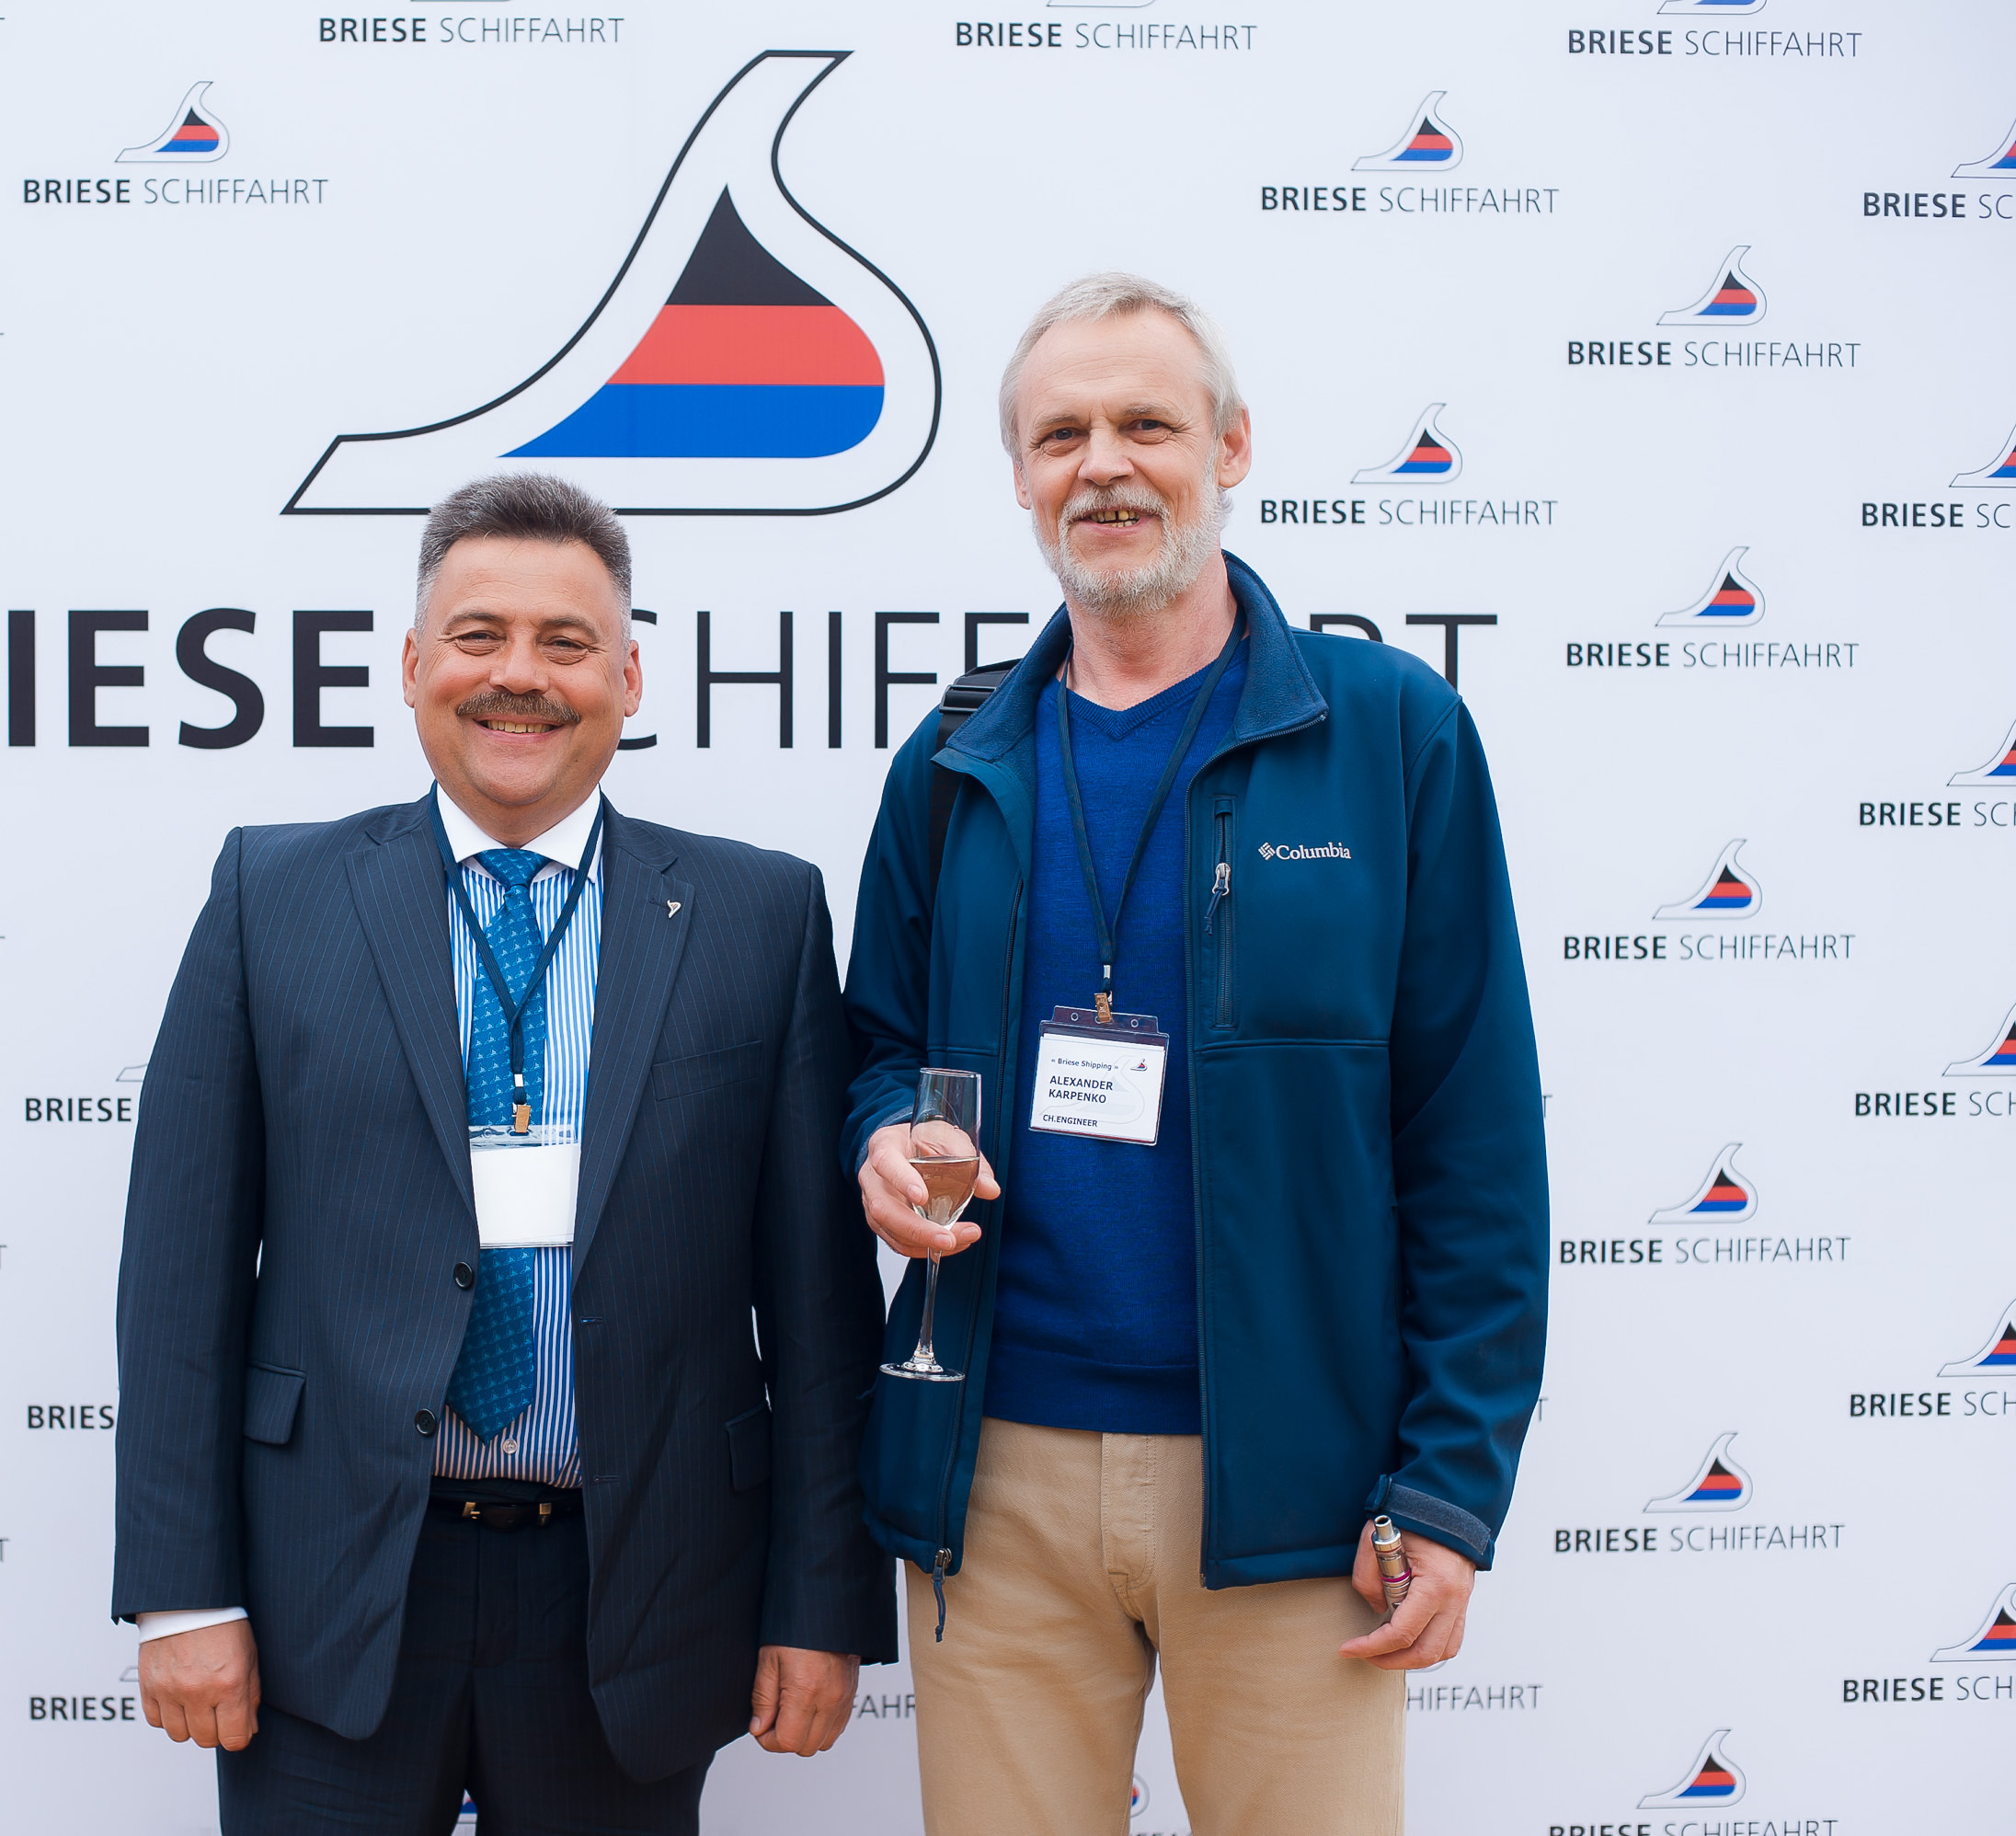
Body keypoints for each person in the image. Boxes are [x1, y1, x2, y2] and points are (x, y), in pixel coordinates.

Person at [842, 274, 1548, 1836]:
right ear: (1020, 476)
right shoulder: (954, 760)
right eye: (1061, 436)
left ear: (1229, 448)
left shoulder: (1390, 733)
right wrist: (883, 1134)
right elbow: (878, 1045)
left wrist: (1448, 1484)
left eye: (1147, 424)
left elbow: (1475, 1138)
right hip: (994, 1480)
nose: (1103, 465)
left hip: (1300, 1488)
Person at [115, 472, 895, 1834]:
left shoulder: (759, 915)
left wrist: (821, 1600)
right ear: (414, 667)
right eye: (478, 637)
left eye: (565, 642)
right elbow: (180, 1274)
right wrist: (185, 1594)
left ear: (629, 679)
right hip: (330, 1593)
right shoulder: (270, 896)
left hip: (637, 1598)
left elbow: (821, 1309)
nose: (518, 676)